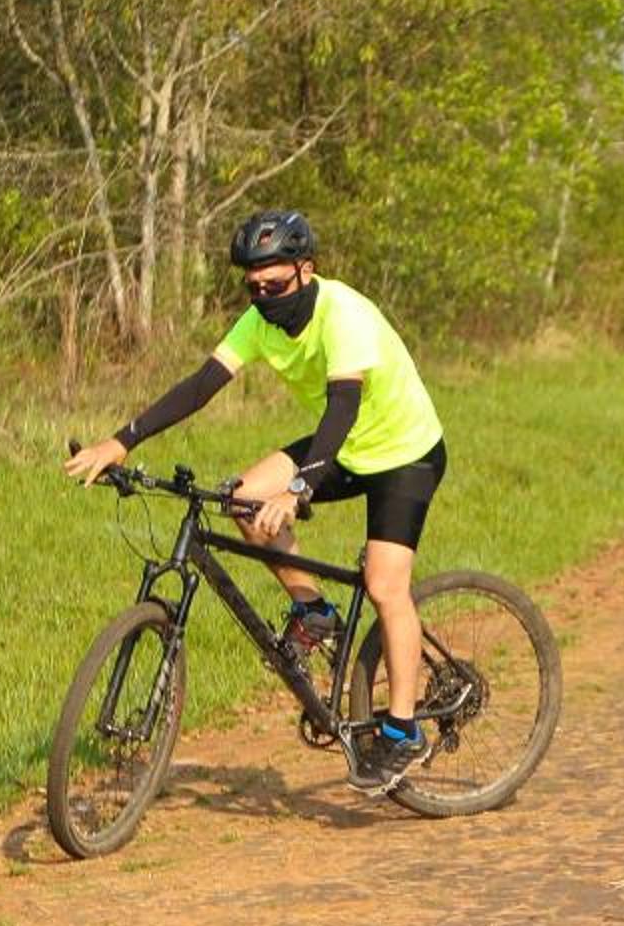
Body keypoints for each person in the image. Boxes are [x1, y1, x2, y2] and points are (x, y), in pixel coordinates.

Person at [62, 209, 450, 793]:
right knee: (242, 500)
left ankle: (402, 731)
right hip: (344, 448)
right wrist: (121, 442)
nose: (264, 297)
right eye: (253, 287)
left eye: (274, 284)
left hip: (404, 453)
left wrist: (298, 490)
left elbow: (343, 406)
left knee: (384, 584)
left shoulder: (343, 313)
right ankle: (314, 611)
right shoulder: (259, 322)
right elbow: (201, 386)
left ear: (305, 270)